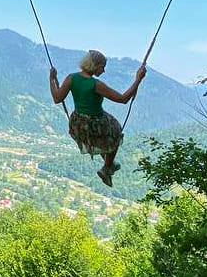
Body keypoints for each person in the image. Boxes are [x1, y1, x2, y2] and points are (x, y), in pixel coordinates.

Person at [49, 50, 147, 186]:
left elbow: (57, 98)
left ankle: (109, 164)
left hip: (78, 123)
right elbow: (123, 99)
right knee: (115, 133)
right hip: (95, 123)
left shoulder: (71, 78)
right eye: (102, 66)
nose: (104, 70)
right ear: (95, 65)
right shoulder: (96, 85)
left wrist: (52, 79)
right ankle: (107, 168)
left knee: (102, 140)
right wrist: (138, 79)